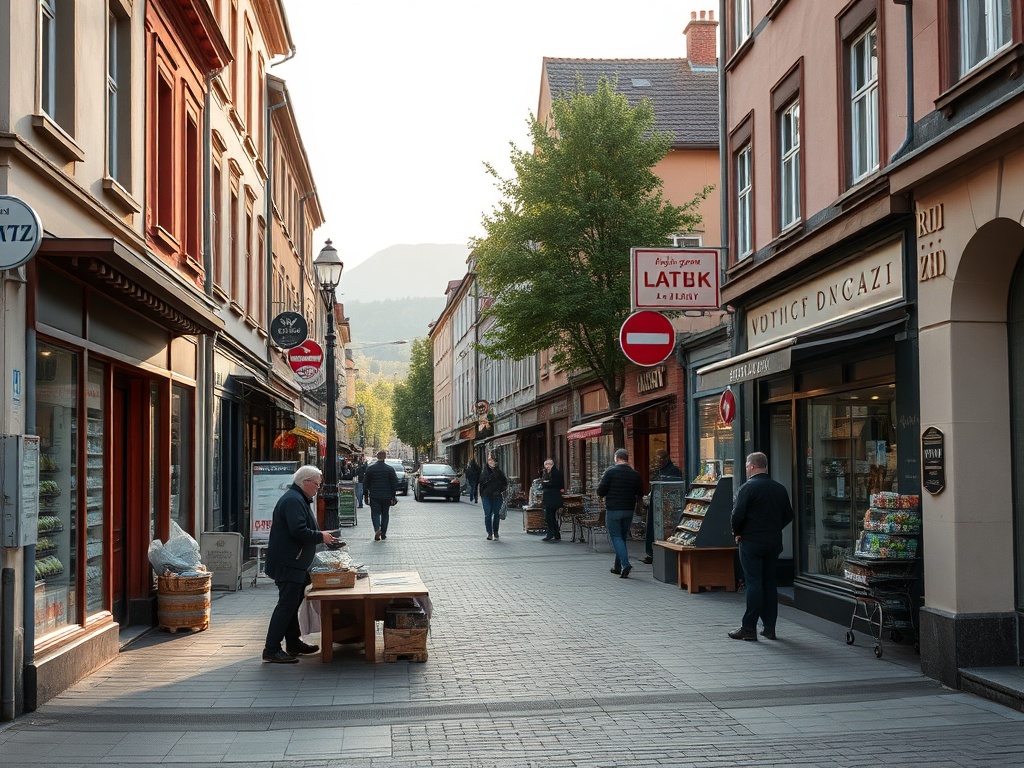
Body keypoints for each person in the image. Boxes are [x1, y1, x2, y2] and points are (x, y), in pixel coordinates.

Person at [263, 465, 342, 663]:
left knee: (292, 604)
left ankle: (293, 642)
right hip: (289, 562)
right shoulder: (293, 500)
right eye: (316, 484)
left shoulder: (298, 499)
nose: (318, 488)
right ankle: (271, 649)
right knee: (286, 605)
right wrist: (321, 537)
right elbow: (298, 530)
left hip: (296, 562)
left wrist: (324, 537)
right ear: (305, 482)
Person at [728, 451, 794, 641]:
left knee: (754, 583)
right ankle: (769, 627)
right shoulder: (779, 488)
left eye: (747, 466)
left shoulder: (748, 488)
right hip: (773, 542)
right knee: (769, 583)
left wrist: (738, 532)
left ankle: (748, 627)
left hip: (751, 542)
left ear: (751, 466)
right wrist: (774, 528)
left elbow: (737, 515)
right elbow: (788, 515)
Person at [597, 448, 644, 579]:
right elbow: (641, 492)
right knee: (622, 538)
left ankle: (625, 564)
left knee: (616, 537)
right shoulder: (635, 474)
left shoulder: (610, 472)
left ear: (616, 458)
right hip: (629, 509)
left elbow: (600, 491)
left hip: (613, 509)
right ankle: (617, 567)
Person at [644, 449, 684, 564]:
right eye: (657, 459)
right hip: (656, 505)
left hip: (667, 507)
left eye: (661, 459)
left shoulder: (673, 471)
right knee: (653, 529)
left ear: (666, 458)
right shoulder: (658, 471)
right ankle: (651, 552)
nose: (658, 462)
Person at [364, 449, 399, 541]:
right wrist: (393, 496)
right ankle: (383, 533)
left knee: (375, 513)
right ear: (385, 457)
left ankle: (377, 529)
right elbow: (394, 483)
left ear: (377, 457)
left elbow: (366, 483)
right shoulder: (390, 469)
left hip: (374, 495)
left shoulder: (370, 468)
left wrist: (366, 495)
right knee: (385, 514)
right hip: (386, 495)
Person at [478, 455, 508, 541]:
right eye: (489, 460)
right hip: (486, 497)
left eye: (493, 460)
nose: (491, 462)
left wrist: (500, 490)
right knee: (487, 515)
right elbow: (481, 484)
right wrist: (482, 495)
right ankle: (489, 533)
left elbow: (504, 483)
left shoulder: (499, 473)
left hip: (497, 496)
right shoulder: (484, 473)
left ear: (496, 462)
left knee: (496, 514)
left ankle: (496, 532)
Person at [540, 458, 565, 542]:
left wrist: (547, 483)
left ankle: (551, 534)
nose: (547, 466)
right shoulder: (545, 473)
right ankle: (556, 533)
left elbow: (556, 483)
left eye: (548, 464)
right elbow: (543, 483)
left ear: (552, 464)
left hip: (554, 497)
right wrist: (546, 483)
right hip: (548, 497)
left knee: (549, 516)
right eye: (546, 465)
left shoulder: (557, 473)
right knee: (550, 516)